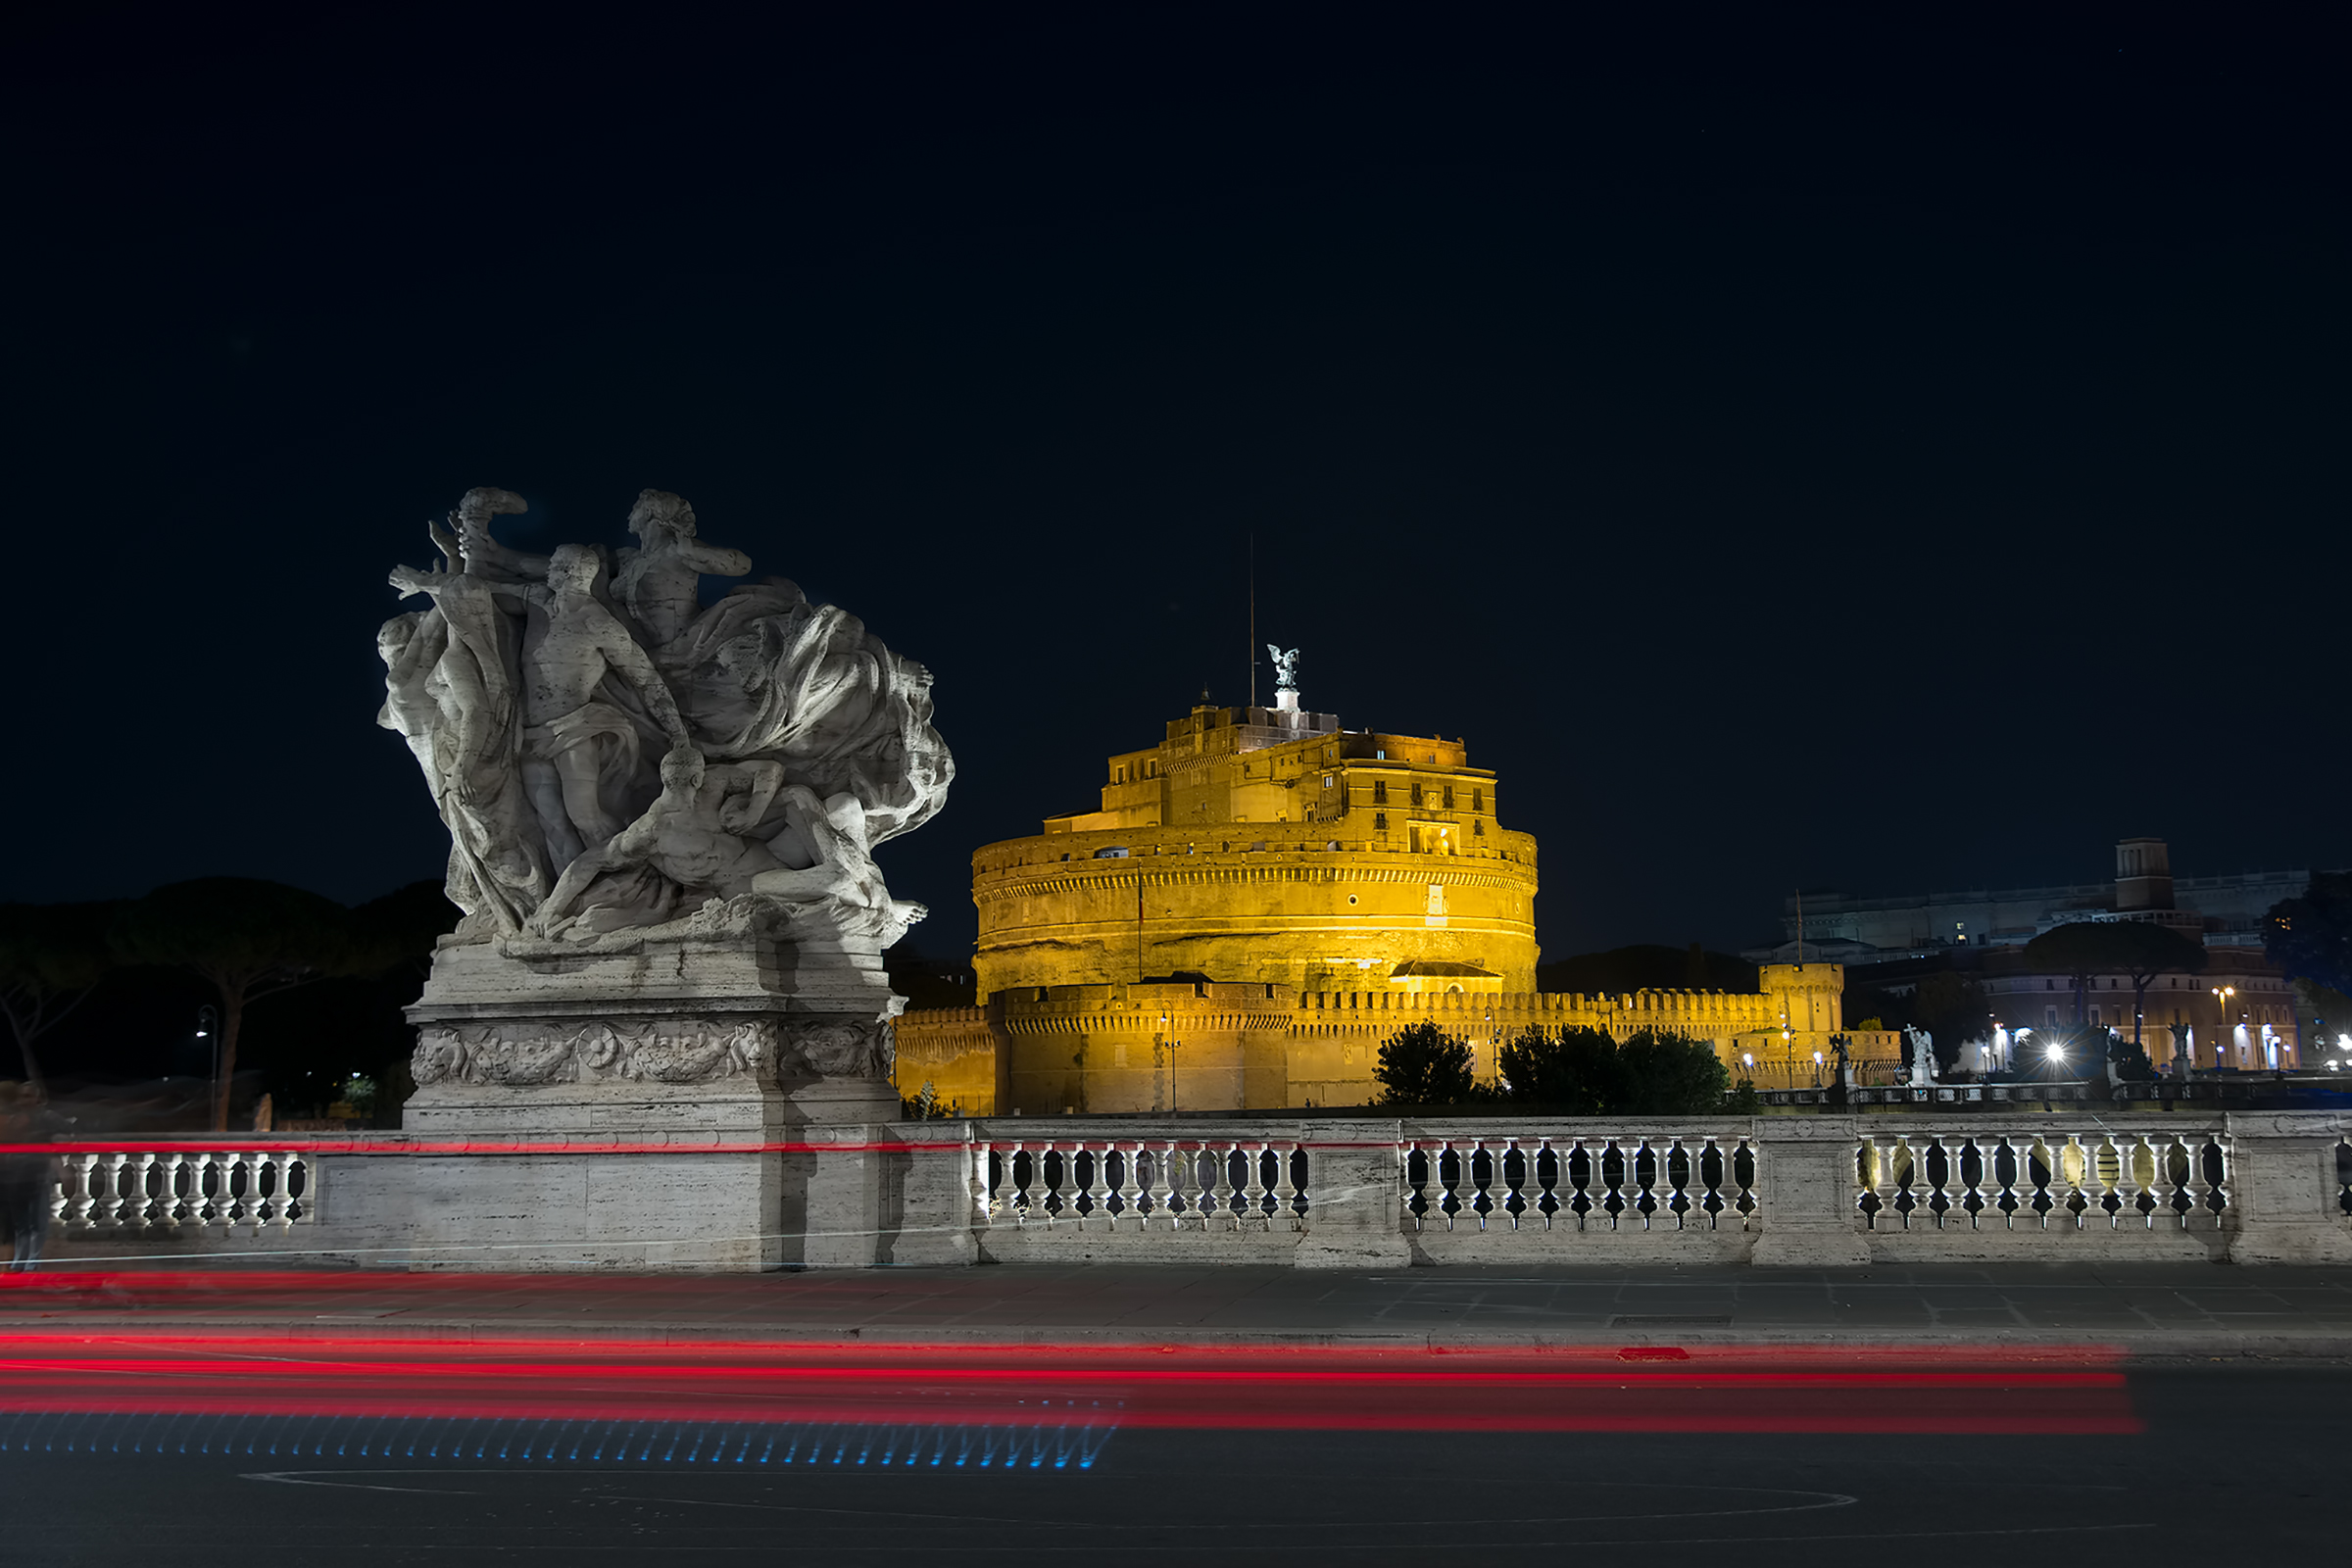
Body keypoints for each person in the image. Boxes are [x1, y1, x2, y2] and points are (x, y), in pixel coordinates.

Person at [0, 1084, 61, 1272]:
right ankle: (20, 1261)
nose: (23, 1101)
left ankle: (31, 1262)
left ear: (37, 1098)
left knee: (37, 1222)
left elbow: (69, 1135)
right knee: (21, 1224)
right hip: (15, 1177)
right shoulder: (14, 1119)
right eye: (21, 1097)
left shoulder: (48, 1118)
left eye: (28, 1097)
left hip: (37, 1175)